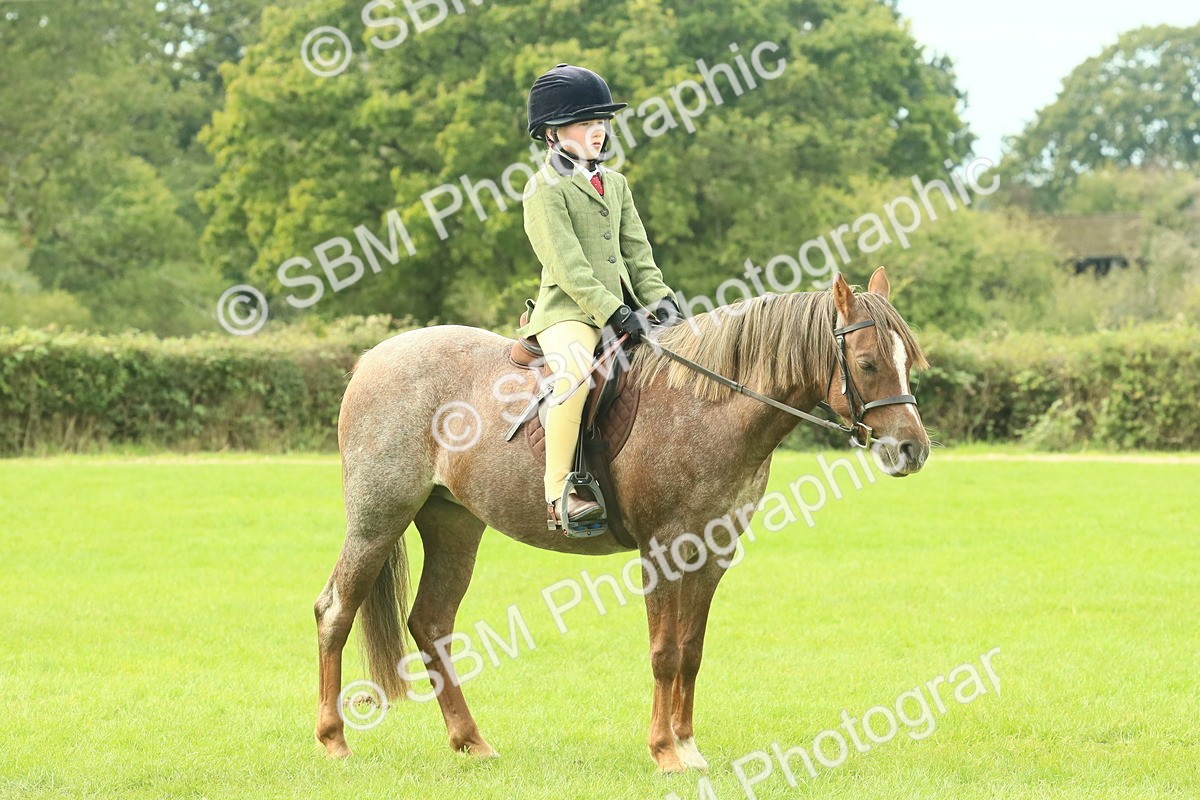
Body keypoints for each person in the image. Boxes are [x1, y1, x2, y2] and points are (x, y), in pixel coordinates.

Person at [517, 62, 682, 530]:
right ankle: (560, 494)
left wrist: (662, 301)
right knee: (572, 377)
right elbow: (569, 269)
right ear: (553, 132)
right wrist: (615, 311)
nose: (599, 131)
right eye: (587, 122)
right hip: (569, 313)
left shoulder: (616, 184)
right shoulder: (543, 189)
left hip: (624, 311)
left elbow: (638, 254)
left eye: (603, 122)